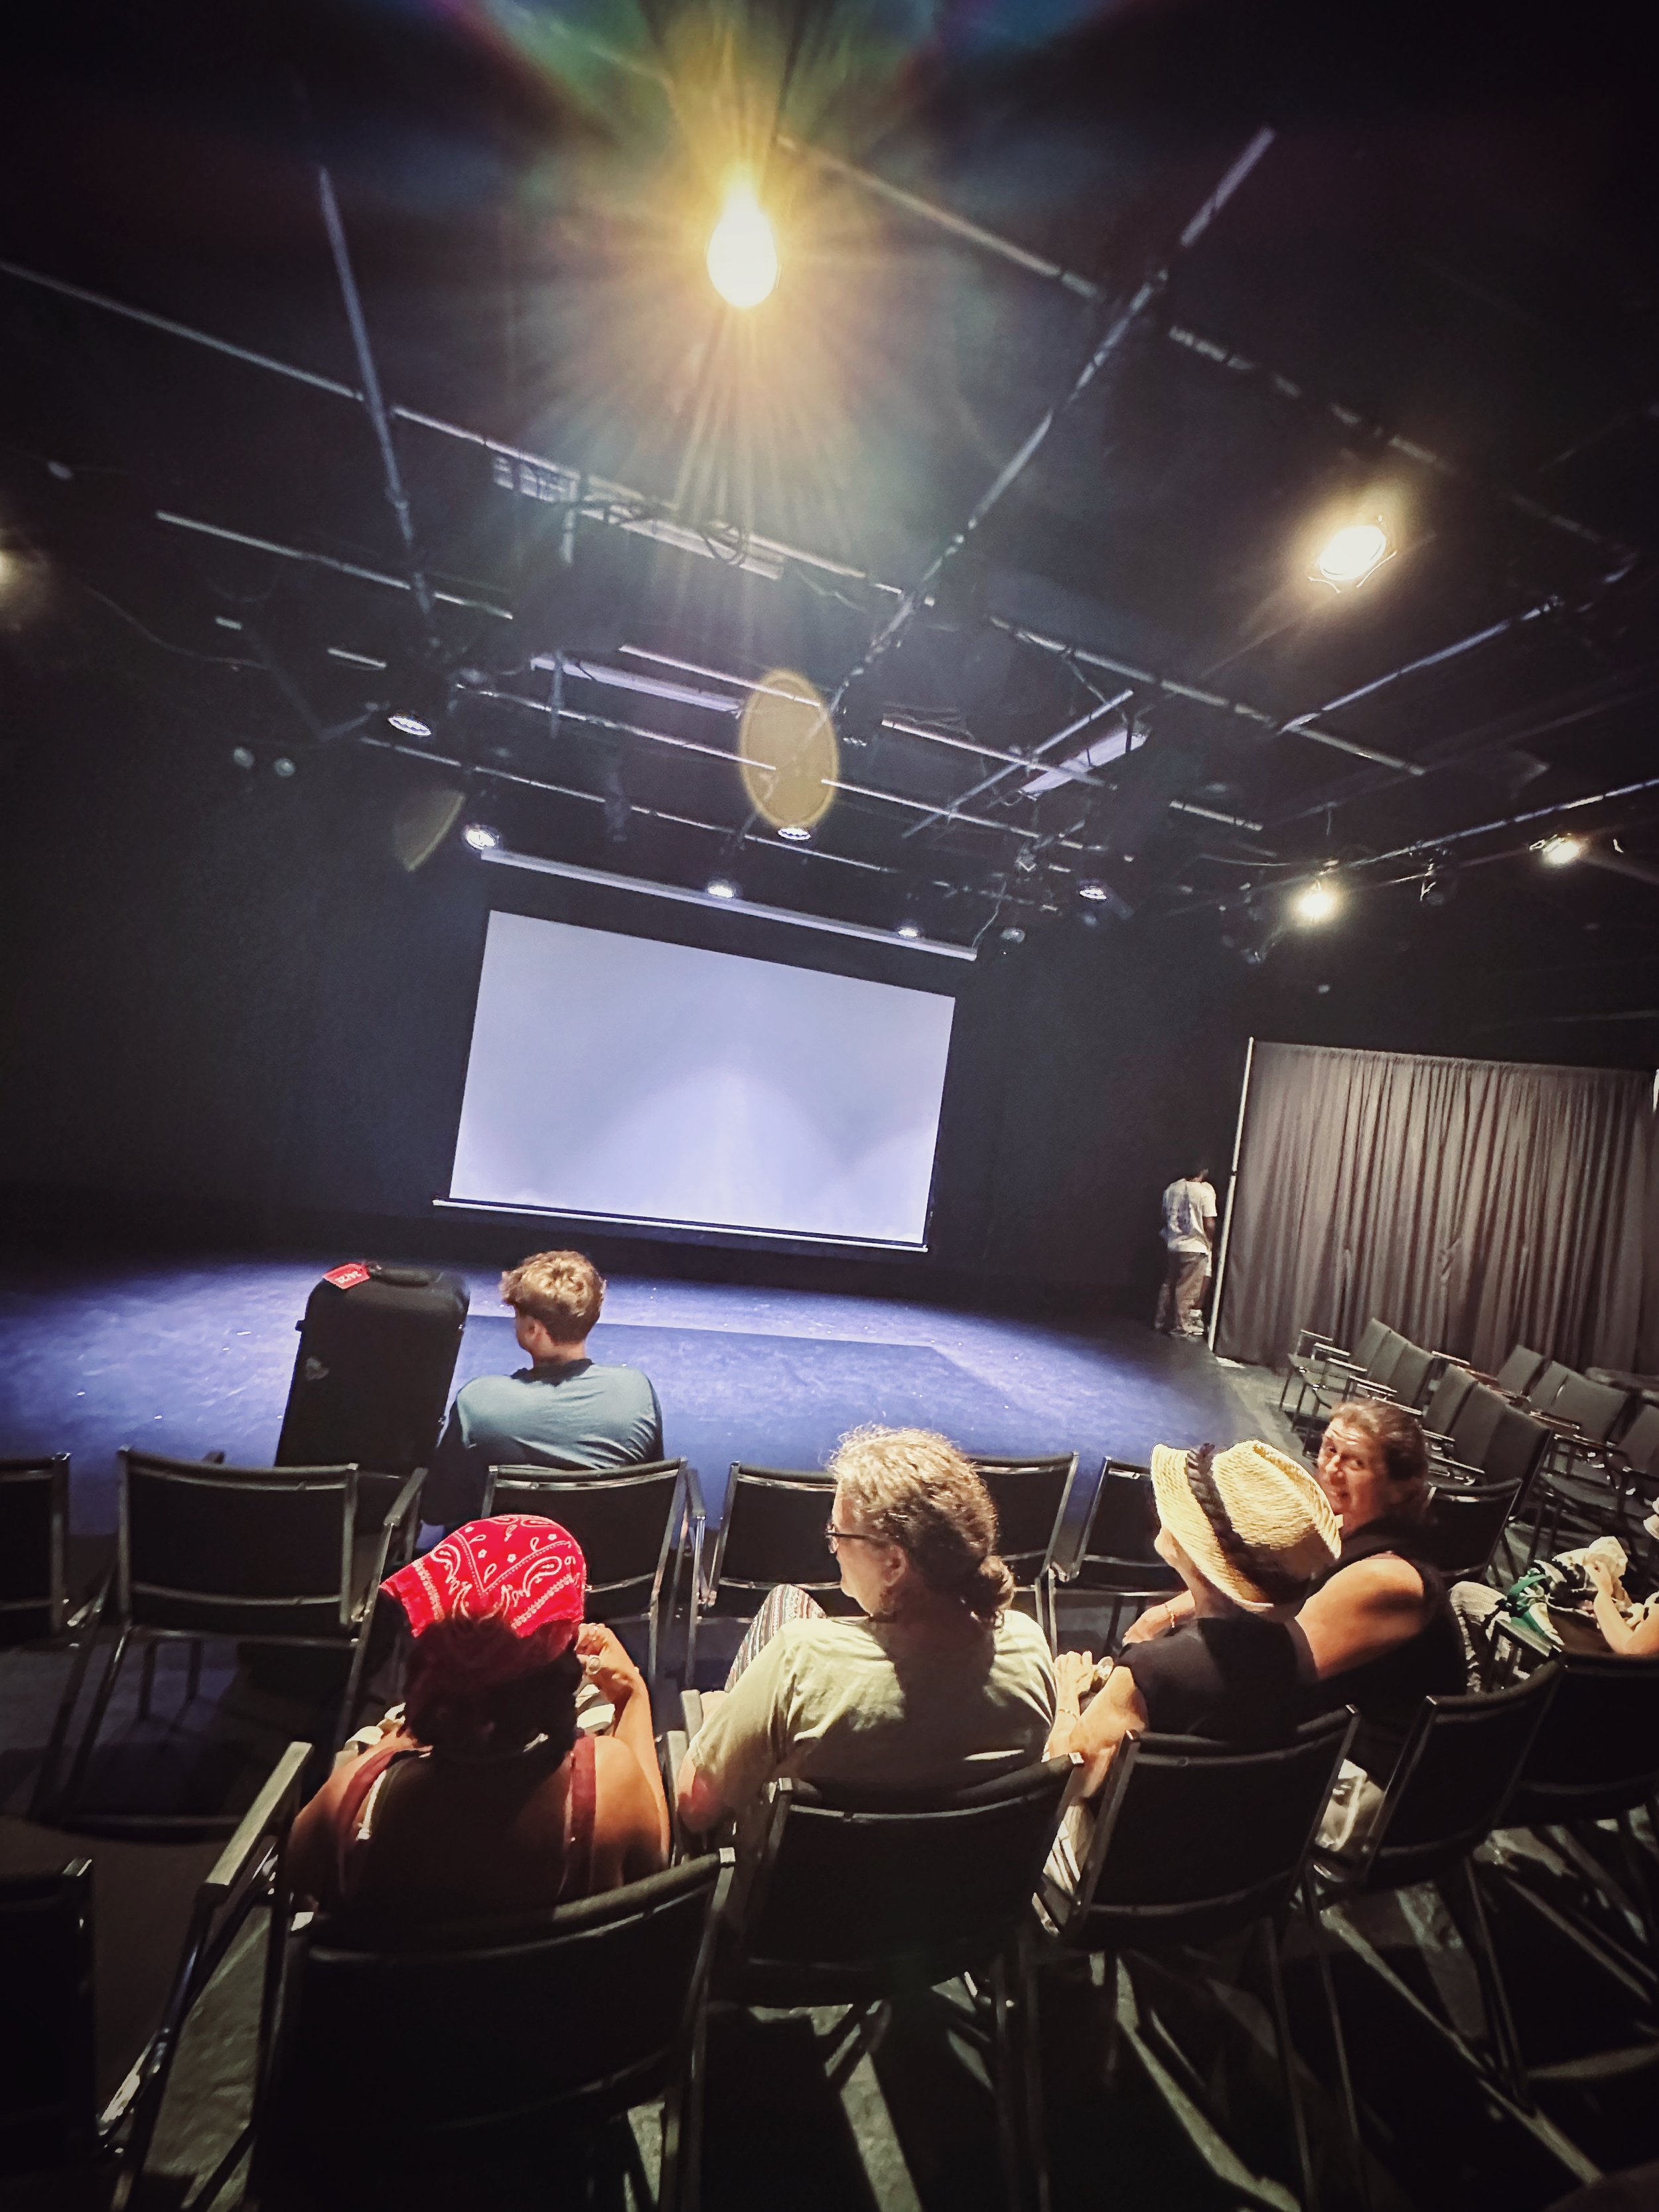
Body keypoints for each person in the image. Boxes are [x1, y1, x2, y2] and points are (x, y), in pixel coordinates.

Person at [674, 1427, 1055, 1838]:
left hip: (802, 1893)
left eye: (838, 1534)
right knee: (788, 1601)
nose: (833, 1546)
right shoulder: (1030, 1648)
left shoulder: (801, 1661)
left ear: (894, 1564)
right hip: (959, 1892)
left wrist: (720, 1712)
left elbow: (695, 1809)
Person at [288, 1516, 668, 1919]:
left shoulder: (352, 1800)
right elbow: (657, 1860)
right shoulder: (607, 1786)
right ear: (560, 1662)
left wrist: (393, 1743)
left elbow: (295, 1878)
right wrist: (632, 1695)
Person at [1125, 1401, 1466, 1781]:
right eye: (1330, 1449)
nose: (1332, 1469)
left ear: (1401, 1488)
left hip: (1371, 1773)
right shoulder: (1336, 1526)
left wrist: (1144, 1670)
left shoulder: (1388, 1576)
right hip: (1324, 1725)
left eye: (1355, 1463)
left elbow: (1272, 1664)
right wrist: (1166, 1614)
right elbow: (1249, 1579)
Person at [1048, 1439, 1338, 1799]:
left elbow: (1071, 1781)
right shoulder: (1293, 1653)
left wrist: (1067, 1694)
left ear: (1201, 1553)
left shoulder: (1151, 1670)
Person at [425, 1250, 663, 1528]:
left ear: (533, 1330)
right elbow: (652, 1494)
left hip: (499, 1565)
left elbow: (436, 1509)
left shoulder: (478, 1403)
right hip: (603, 1567)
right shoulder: (635, 1392)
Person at [1155, 1165, 1218, 1339]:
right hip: (1195, 1246)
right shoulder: (1204, 1192)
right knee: (1187, 1289)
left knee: (1170, 1283)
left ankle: (1161, 1320)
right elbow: (1209, 1224)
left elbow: (1164, 1214)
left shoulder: (1172, 1188)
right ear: (1203, 1171)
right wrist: (1210, 1241)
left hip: (1174, 1243)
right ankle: (1180, 1326)